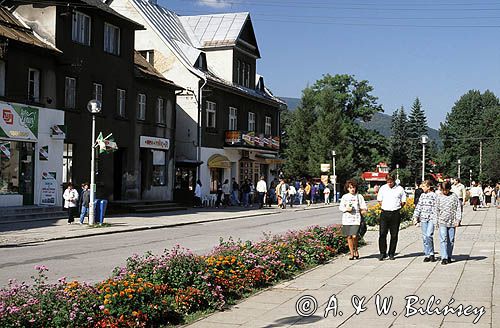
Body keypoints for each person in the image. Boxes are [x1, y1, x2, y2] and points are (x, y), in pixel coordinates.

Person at [377, 174, 406, 260]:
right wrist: (385, 207)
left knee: (394, 235)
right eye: (388, 181)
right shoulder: (383, 188)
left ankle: (391, 253)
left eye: (391, 181)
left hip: (395, 213)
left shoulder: (400, 189)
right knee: (382, 233)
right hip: (385, 213)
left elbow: (403, 201)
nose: (389, 183)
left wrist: (397, 207)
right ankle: (382, 252)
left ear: (394, 181)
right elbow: (379, 200)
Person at [339, 179, 367, 260]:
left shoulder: (359, 196)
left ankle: (356, 249)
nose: (352, 189)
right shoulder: (345, 197)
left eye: (353, 187)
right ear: (347, 188)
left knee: (354, 236)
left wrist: (364, 210)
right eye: (350, 187)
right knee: (349, 236)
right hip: (347, 219)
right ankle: (351, 253)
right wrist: (346, 209)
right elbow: (341, 207)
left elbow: (364, 206)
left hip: (356, 218)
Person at [436, 181, 462, 265]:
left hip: (452, 221)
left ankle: (449, 255)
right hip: (442, 221)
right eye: (443, 190)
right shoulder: (439, 197)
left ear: (449, 189)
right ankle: (444, 257)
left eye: (446, 190)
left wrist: (458, 219)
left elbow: (458, 208)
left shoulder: (454, 196)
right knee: (443, 239)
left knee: (451, 240)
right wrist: (436, 221)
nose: (444, 192)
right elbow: (436, 209)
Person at [412, 180, 437, 262]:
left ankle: (432, 253)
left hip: (431, 218)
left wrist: (436, 218)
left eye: (423, 186)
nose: (422, 188)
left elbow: (437, 207)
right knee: (424, 237)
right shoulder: (422, 195)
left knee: (429, 235)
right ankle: (427, 254)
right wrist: (415, 216)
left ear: (429, 187)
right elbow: (419, 206)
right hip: (423, 218)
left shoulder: (434, 195)